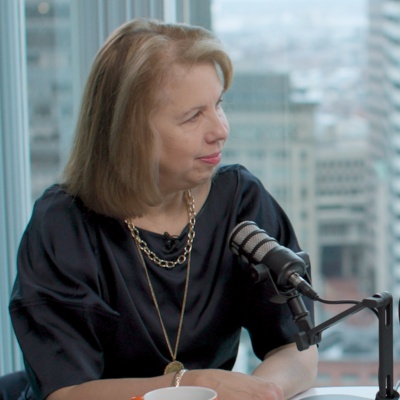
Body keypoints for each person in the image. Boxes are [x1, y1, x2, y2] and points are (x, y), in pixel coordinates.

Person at [9, 18, 318, 400]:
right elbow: (66, 392)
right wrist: (190, 386)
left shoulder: (240, 199)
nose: (220, 129)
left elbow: (295, 346)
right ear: (129, 131)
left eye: (218, 105)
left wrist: (264, 391)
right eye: (193, 116)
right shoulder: (63, 225)